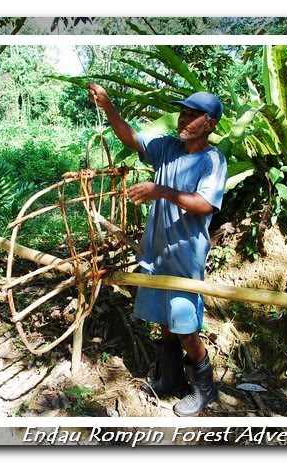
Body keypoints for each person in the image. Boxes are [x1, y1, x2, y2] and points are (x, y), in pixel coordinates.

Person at [87, 83, 228, 417]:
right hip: (156, 253)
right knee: (164, 321)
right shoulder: (167, 147)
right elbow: (131, 139)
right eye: (183, 112)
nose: (183, 119)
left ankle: (205, 389)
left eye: (192, 115)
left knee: (186, 329)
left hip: (185, 257)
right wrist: (108, 107)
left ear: (209, 123)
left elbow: (206, 205)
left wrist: (162, 190)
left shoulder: (212, 160)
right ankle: (170, 378)